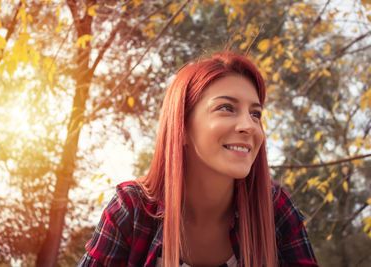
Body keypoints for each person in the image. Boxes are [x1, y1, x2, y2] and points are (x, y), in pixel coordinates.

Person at [78, 51, 319, 267]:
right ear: (181, 127)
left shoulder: (275, 209)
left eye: (255, 114)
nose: (250, 126)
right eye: (226, 108)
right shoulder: (131, 209)